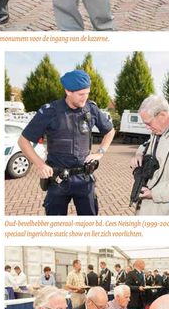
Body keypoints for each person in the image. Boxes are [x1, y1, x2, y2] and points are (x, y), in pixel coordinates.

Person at [17, 70, 114, 215]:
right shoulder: (50, 111)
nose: (85, 98)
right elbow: (23, 141)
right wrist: (40, 164)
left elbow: (110, 131)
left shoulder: (91, 109)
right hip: (58, 181)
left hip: (84, 179)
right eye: (81, 94)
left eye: (87, 93)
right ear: (68, 91)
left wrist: (99, 153)